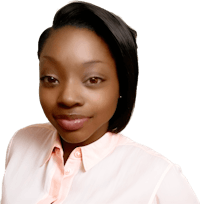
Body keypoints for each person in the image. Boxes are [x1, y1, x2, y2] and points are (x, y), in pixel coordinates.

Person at [1, 1, 199, 204]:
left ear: (122, 85)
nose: (68, 98)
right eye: (51, 78)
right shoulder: (21, 143)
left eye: (93, 80)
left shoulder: (159, 179)